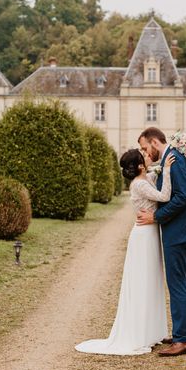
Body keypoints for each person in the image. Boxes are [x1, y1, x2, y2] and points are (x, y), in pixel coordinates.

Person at [75, 149, 175, 355]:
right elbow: (164, 196)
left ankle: (152, 330)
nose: (147, 156)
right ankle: (139, 333)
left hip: (151, 234)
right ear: (139, 166)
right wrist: (166, 170)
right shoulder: (139, 184)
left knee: (152, 281)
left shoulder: (144, 177)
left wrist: (159, 165)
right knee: (142, 282)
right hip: (143, 237)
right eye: (143, 156)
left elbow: (152, 173)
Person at [137, 127, 186, 357]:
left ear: (154, 142)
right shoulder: (171, 157)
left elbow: (182, 198)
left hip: (179, 229)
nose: (145, 152)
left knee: (177, 282)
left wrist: (155, 216)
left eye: (145, 147)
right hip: (183, 228)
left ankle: (182, 339)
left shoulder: (174, 158)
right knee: (185, 279)